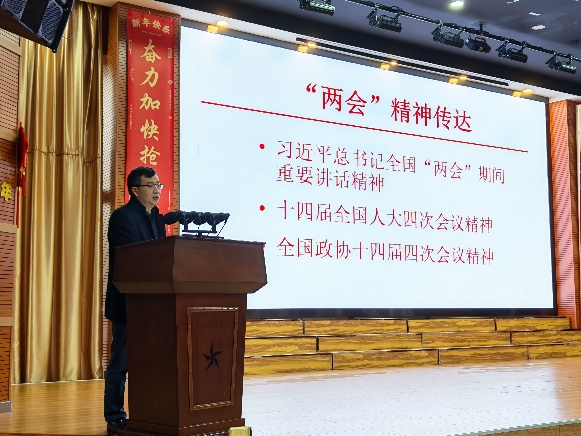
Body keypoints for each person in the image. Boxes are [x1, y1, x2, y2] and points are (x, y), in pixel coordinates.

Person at [104, 166, 166, 435]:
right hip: (129, 303)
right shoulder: (122, 217)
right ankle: (114, 416)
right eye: (150, 185)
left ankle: (149, 412)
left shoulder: (158, 219)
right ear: (135, 190)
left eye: (158, 185)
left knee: (152, 362)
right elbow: (132, 257)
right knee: (121, 363)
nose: (156, 190)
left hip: (154, 304)